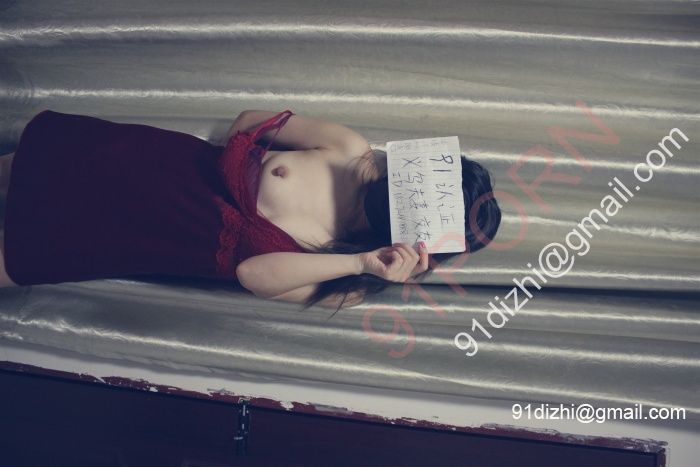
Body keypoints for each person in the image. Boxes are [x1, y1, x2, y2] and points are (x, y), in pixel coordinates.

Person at [0, 109, 501, 312]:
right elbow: (249, 121)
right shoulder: (351, 150)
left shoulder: (352, 282)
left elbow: (253, 275)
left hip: (154, 238)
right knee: (26, 167)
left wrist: (362, 262)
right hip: (157, 167)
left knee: (22, 257)